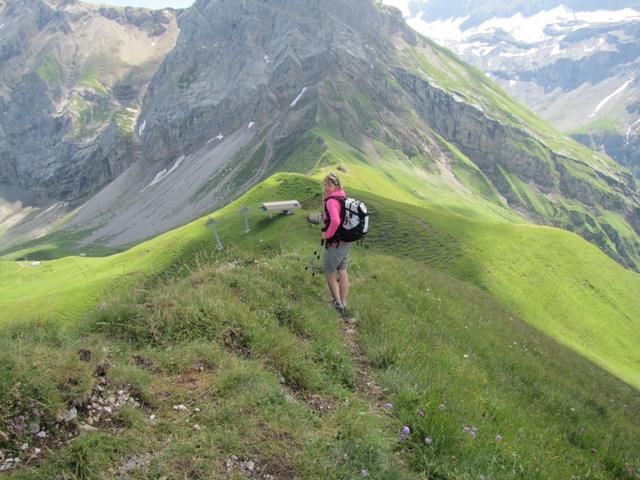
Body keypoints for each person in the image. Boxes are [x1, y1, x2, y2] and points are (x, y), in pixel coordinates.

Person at [322, 173, 350, 314]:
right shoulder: (342, 197)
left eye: (329, 185)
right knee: (342, 270)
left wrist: (327, 235)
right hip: (346, 241)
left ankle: (337, 304)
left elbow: (336, 221)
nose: (326, 188)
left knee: (329, 272)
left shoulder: (331, 201)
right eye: (325, 184)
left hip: (335, 243)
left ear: (336, 186)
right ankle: (343, 302)